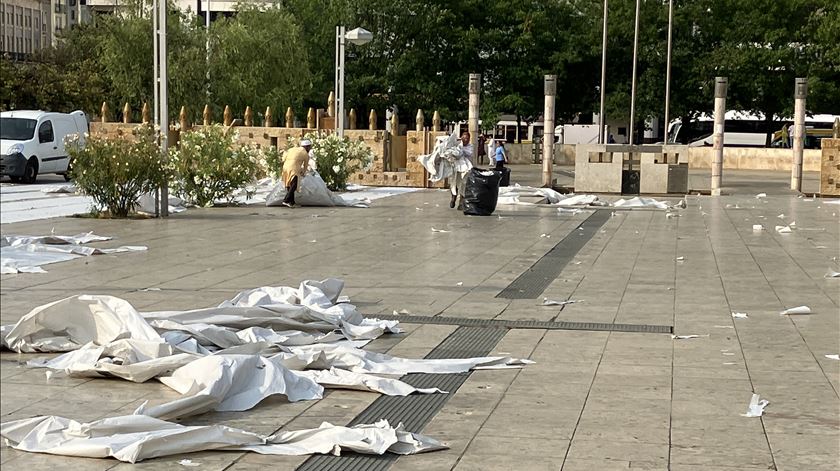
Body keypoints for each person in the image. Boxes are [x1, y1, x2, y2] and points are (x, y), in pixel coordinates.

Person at [281, 139, 311, 207]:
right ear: (306, 147)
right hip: (294, 168)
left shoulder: (292, 149)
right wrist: (303, 172)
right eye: (309, 147)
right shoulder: (305, 153)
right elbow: (306, 165)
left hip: (286, 167)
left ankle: (292, 202)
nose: (309, 149)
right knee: (294, 185)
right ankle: (286, 200)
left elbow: (283, 158)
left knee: (289, 184)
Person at [450, 131, 474, 209]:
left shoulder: (470, 147)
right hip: (456, 168)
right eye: (464, 138)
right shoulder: (457, 145)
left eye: (467, 138)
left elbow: (469, 153)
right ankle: (453, 197)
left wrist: (461, 151)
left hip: (465, 169)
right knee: (454, 183)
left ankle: (461, 203)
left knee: (463, 185)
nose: (465, 140)